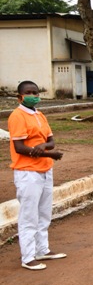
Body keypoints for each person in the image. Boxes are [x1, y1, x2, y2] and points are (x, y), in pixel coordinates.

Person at [8, 80, 65, 271]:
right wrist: (50, 153)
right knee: (29, 216)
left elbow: (51, 140)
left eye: (36, 92)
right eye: (29, 92)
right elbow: (20, 147)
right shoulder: (17, 116)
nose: (34, 95)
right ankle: (28, 256)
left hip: (45, 169)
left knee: (44, 214)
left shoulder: (40, 114)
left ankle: (42, 249)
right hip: (27, 171)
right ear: (20, 96)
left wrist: (44, 147)